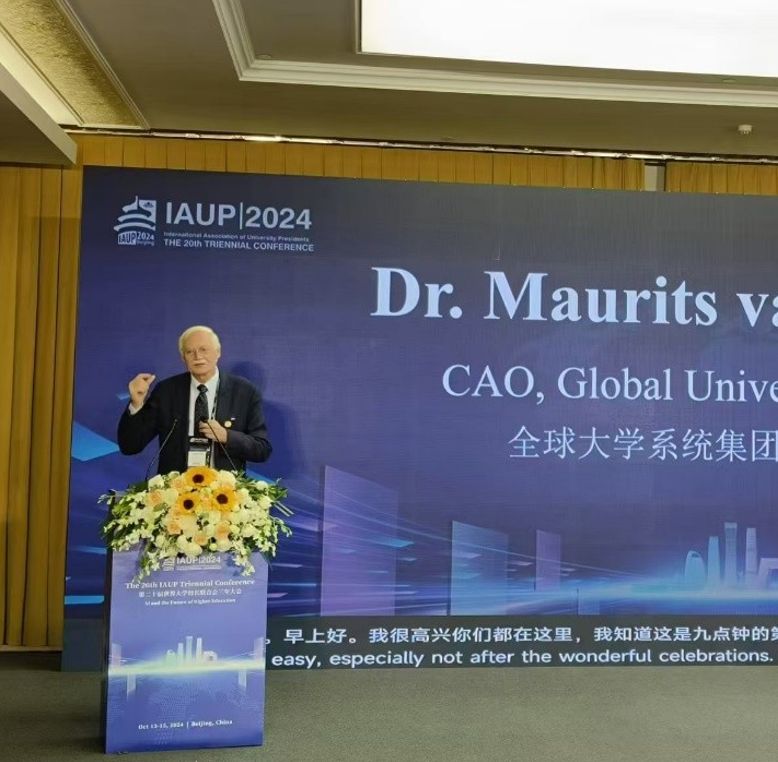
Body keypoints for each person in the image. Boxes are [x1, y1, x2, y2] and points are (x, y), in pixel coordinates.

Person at [117, 325, 271, 474]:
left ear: (218, 352)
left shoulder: (245, 392)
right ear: (183, 357)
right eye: (190, 351)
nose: (198, 356)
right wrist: (136, 403)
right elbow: (130, 446)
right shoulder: (166, 391)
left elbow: (262, 449)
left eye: (203, 349)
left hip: (224, 489)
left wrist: (227, 436)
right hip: (175, 488)